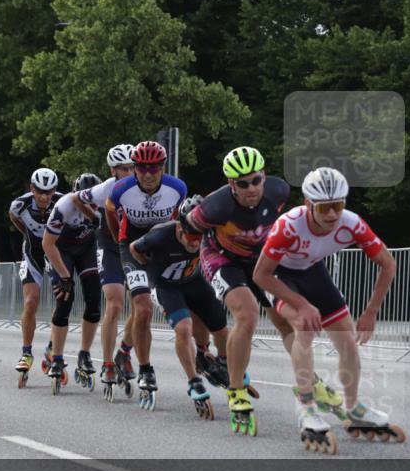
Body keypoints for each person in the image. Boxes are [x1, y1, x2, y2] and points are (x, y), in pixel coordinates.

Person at [254, 168, 401, 454]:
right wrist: (301, 304)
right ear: (309, 204)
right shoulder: (289, 226)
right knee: (305, 327)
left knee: (348, 343)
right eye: (325, 207)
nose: (333, 215)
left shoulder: (352, 223)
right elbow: (261, 275)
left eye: (338, 205)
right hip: (280, 275)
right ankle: (306, 406)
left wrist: (371, 311)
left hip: (312, 272)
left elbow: (388, 263)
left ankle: (354, 406)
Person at [184, 146, 294, 436]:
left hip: (258, 260)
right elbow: (189, 229)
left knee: (285, 318)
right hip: (221, 258)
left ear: (264, 176)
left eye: (256, 180)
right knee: (247, 315)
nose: (251, 189)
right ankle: (235, 390)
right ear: (231, 184)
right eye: (243, 184)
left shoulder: (279, 191)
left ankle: (308, 376)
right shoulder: (214, 207)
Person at [129, 195, 231, 415]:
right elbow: (133, 248)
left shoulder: (212, 234)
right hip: (166, 285)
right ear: (181, 227)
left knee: (223, 329)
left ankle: (219, 361)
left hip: (193, 281)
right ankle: (193, 380)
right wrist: (148, 268)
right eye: (192, 234)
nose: (196, 241)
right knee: (184, 328)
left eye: (201, 235)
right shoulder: (161, 234)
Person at [105, 141, 187, 405]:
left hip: (161, 246)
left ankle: (124, 352)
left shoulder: (177, 188)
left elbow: (180, 220)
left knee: (149, 307)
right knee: (142, 307)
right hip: (131, 246)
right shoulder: (121, 190)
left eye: (155, 167)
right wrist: (120, 237)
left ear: (163, 167)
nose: (149, 174)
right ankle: (146, 370)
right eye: (142, 168)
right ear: (135, 169)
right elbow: (109, 211)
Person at [80, 144, 137, 392]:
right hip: (111, 246)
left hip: (135, 247)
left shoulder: (143, 185)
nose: (131, 172)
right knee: (114, 304)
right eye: (125, 169)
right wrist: (94, 218)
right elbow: (75, 199)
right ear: (113, 170)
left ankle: (123, 352)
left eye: (133, 167)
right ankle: (107, 363)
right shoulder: (105, 188)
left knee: (141, 307)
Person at [41, 173, 103, 393]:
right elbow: (47, 245)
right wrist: (65, 276)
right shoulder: (63, 206)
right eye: (86, 201)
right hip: (61, 250)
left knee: (94, 300)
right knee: (65, 298)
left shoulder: (104, 203)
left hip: (86, 249)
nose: (91, 205)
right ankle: (56, 357)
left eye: (94, 201)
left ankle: (84, 354)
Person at [8, 167, 61, 386]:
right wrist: (30, 237)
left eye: (48, 192)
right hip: (32, 254)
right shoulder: (19, 205)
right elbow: (15, 219)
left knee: (62, 301)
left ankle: (52, 347)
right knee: (31, 301)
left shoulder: (62, 203)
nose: (44, 196)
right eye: (39, 191)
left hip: (56, 253)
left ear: (54, 191)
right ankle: (26, 352)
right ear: (32, 188)